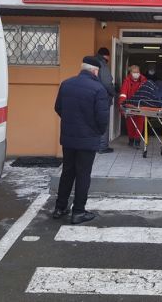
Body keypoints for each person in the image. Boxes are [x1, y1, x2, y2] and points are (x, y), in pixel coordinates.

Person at [53, 56, 109, 224]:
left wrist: (71, 123)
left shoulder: (66, 84)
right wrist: (97, 132)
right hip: (88, 139)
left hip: (69, 138)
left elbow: (58, 108)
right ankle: (78, 211)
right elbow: (102, 118)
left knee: (67, 172)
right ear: (95, 71)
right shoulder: (98, 89)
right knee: (83, 174)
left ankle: (60, 207)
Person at [118, 65, 147, 147]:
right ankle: (131, 140)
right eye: (134, 72)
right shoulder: (127, 81)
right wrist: (122, 105)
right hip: (130, 105)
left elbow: (146, 93)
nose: (136, 73)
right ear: (130, 73)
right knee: (130, 124)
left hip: (140, 105)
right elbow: (123, 94)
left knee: (140, 124)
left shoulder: (144, 81)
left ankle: (137, 141)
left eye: (137, 72)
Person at [95, 47, 115, 154]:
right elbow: (107, 83)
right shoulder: (102, 65)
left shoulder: (91, 63)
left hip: (92, 97)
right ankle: (102, 147)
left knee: (94, 122)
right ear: (106, 56)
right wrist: (113, 92)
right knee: (103, 122)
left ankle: (95, 145)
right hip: (102, 98)